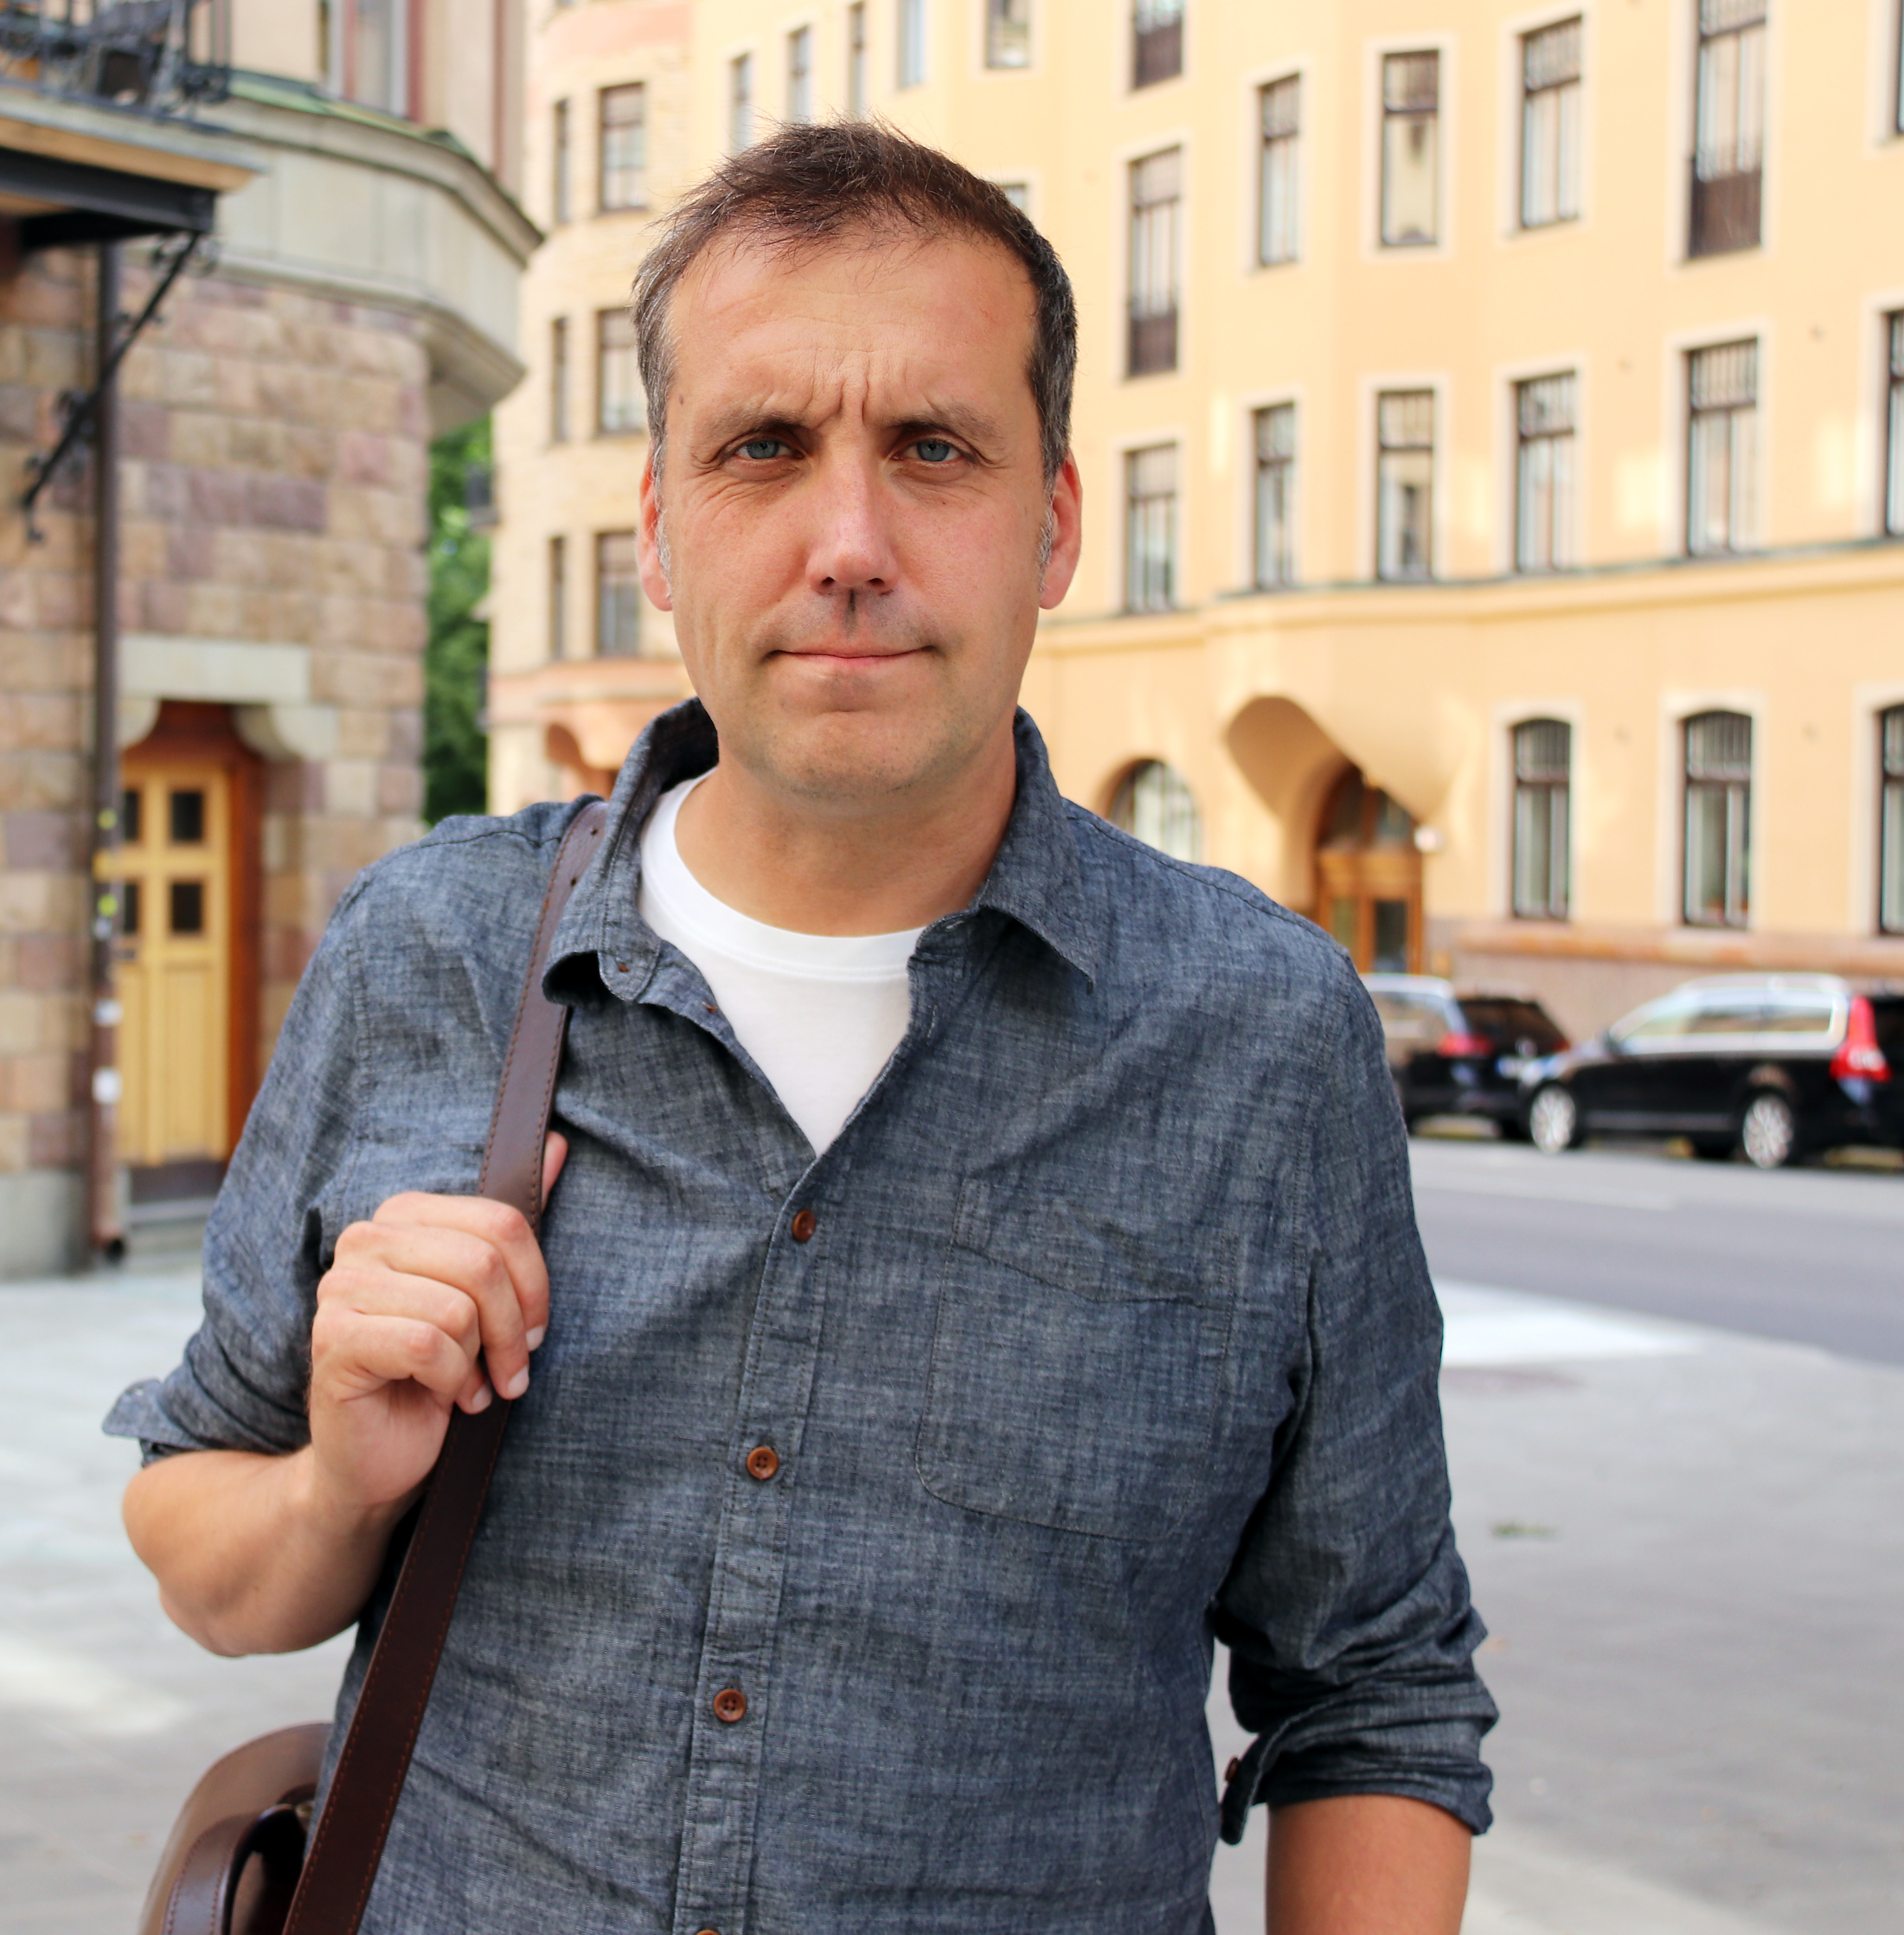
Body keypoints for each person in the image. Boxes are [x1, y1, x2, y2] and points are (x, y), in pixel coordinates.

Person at [107, 122, 1493, 1933]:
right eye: (763, 449)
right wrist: (337, 1489)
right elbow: (208, 1563)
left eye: (933, 448)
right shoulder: (428, 948)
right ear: (662, 535)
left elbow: (1374, 1690)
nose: (848, 542)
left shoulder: (1261, 1038)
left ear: (1053, 521)